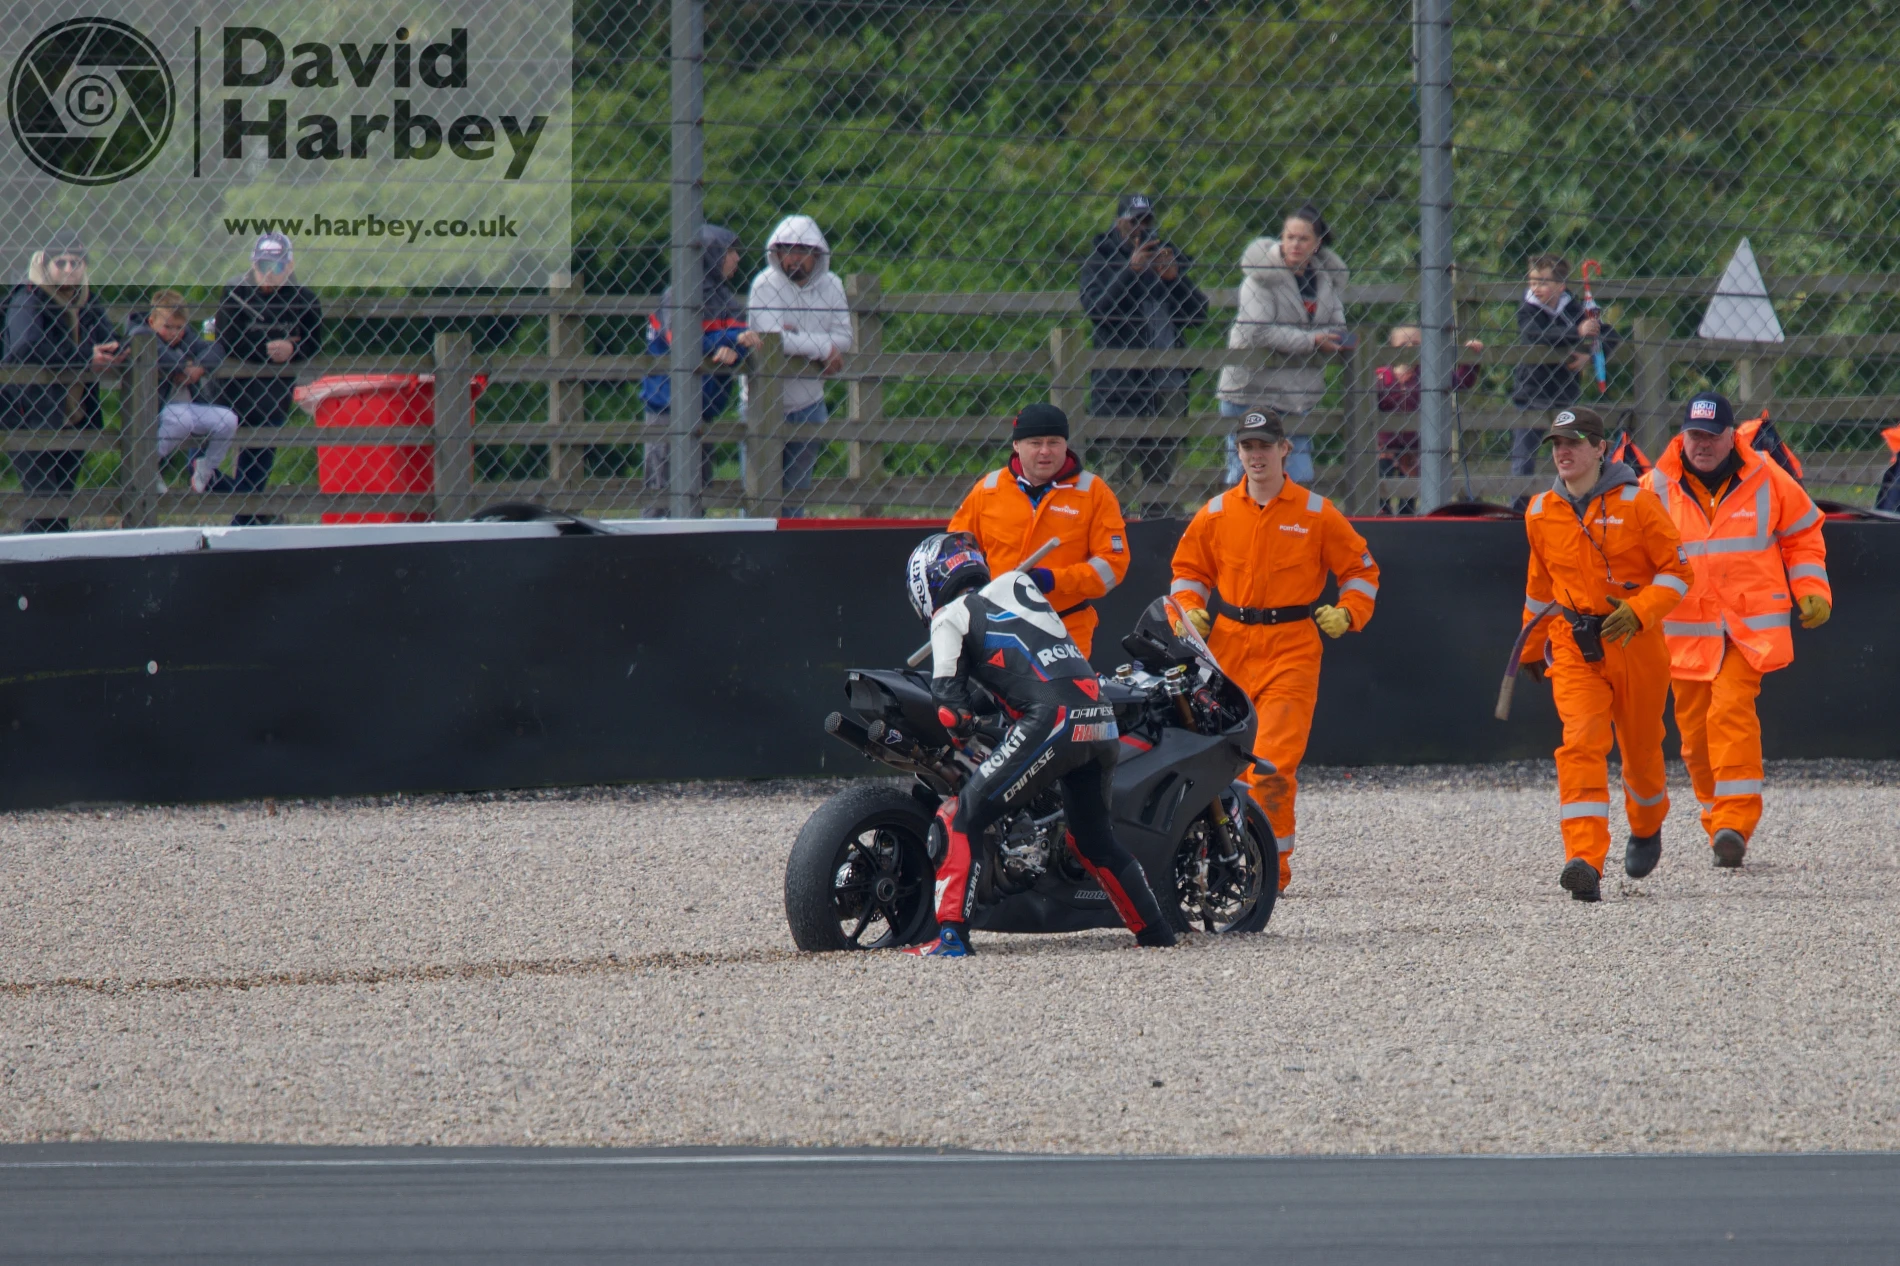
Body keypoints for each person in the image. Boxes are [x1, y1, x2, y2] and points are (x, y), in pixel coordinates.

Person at [903, 531, 1176, 957]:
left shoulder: (950, 616)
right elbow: (1019, 664)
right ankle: (1157, 935)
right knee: (1094, 841)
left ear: (926, 585)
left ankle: (951, 938)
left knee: (961, 817)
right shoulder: (1017, 583)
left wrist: (965, 730)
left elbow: (949, 709)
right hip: (1100, 717)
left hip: (1053, 719)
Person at [1168, 409, 1380, 894]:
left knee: (1273, 765)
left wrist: (1348, 613)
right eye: (1247, 447)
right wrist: (1189, 608)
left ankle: (1269, 874)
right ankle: (1220, 860)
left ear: (1286, 449)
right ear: (1237, 452)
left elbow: (1362, 572)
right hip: (1228, 646)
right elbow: (1188, 571)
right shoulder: (1217, 512)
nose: (1256, 455)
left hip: (1292, 648)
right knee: (1218, 761)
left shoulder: (1316, 513)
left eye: (1265, 446)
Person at [1641, 393, 1832, 869]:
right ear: (1682, 436)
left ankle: (1734, 822)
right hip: (1685, 633)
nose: (1701, 444)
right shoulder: (1654, 488)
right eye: (1694, 435)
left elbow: (1803, 533)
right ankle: (1716, 818)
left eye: (1711, 435)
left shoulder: (1768, 477)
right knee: (1693, 737)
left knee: (1730, 713)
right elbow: (1627, 554)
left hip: (1747, 629)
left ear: (1732, 436)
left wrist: (1811, 588)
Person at [1517, 406, 1694, 902]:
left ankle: (1646, 825)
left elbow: (1678, 572)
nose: (1563, 452)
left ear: (1601, 448)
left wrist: (1640, 611)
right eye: (1556, 444)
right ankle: (1584, 859)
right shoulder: (1539, 512)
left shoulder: (1639, 503)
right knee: (1580, 744)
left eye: (1574, 443)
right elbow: (1539, 588)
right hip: (1574, 645)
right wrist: (1532, 646)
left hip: (1634, 643)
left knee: (1640, 750)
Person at [945, 403, 1129, 660]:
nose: (1045, 451)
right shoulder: (988, 489)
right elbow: (955, 552)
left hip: (1065, 627)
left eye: (1054, 442)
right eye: (1035, 442)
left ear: (1065, 445)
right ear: (1016, 446)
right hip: (997, 625)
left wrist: (1052, 580)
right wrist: (971, 591)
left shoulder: (1094, 493)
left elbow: (1112, 565)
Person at [1079, 193, 1209, 515]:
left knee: (1162, 479)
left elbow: (1198, 314)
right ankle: (1111, 544)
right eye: (1133, 220)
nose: (1140, 228)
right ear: (1119, 222)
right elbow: (1098, 311)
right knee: (1116, 476)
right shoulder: (1101, 258)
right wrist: (1130, 270)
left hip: (1167, 384)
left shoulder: (1165, 255)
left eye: (1146, 220)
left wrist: (1174, 279)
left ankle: (1160, 545)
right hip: (1119, 386)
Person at [1218, 205, 1349, 487]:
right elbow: (1258, 332)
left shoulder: (1325, 280)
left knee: (1299, 477)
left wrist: (1329, 337)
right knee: (1244, 477)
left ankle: (1291, 530)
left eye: (1303, 239)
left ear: (1318, 244)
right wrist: (1312, 340)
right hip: (1251, 390)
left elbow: (1338, 324)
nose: (1294, 244)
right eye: (1289, 237)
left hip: (1295, 394)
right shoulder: (1260, 278)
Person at [3, 236, 122, 532]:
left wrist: (118, 350)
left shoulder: (87, 300)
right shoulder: (28, 298)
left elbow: (108, 338)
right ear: (45, 264)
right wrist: (84, 355)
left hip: (72, 415)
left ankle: (53, 569)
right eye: (61, 262)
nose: (69, 269)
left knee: (62, 503)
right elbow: (24, 347)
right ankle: (30, 571)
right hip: (28, 414)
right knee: (44, 502)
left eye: (76, 262)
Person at [741, 215, 852, 508]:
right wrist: (821, 345)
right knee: (757, 499)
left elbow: (845, 338)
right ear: (776, 253)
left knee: (795, 500)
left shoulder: (833, 285)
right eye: (787, 251)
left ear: (817, 254)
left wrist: (798, 339)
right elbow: (771, 340)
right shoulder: (765, 284)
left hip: (809, 404)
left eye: (802, 252)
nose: (794, 259)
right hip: (762, 404)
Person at [212, 232, 323, 522]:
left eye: (275, 267)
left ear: (289, 266)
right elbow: (228, 337)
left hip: (271, 396)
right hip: (230, 392)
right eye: (262, 266)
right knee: (198, 467)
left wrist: (293, 348)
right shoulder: (236, 291)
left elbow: (314, 339)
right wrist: (267, 351)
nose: (268, 274)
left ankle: (249, 522)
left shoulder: (303, 299)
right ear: (252, 264)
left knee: (256, 466)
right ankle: (260, 514)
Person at [641, 225, 748, 504]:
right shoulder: (676, 295)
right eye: (729, 252)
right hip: (668, 408)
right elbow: (683, 343)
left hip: (703, 410)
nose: (737, 258)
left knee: (698, 493)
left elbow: (746, 339)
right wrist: (722, 343)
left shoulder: (725, 300)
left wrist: (733, 347)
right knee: (661, 495)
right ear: (711, 255)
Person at [1510, 254, 1619, 477]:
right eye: (1532, 281)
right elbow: (1538, 336)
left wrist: (1590, 355)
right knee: (1523, 462)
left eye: (1543, 282)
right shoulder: (1527, 310)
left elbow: (1610, 335)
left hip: (1565, 396)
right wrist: (1576, 332)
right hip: (1531, 396)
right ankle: (1517, 509)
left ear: (1561, 285)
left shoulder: (1573, 309)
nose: (1536, 288)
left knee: (1571, 458)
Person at [127, 291, 239, 493]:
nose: (173, 333)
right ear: (152, 322)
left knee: (228, 420)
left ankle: (206, 467)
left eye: (179, 327)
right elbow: (157, 352)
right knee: (183, 421)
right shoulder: (142, 333)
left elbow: (216, 349)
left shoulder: (186, 339)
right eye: (167, 327)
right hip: (161, 408)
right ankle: (148, 466)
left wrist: (199, 368)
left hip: (191, 406)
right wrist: (181, 367)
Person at [1374, 324, 1485, 513]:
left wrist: (1470, 359)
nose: (1409, 350)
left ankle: (1406, 520)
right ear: (1391, 348)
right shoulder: (1381, 376)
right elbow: (1369, 407)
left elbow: (1460, 382)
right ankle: (1382, 515)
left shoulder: (1428, 373)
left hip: (1417, 446)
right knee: (1380, 488)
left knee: (1408, 497)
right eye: (1402, 345)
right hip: (1386, 447)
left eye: (1415, 344)